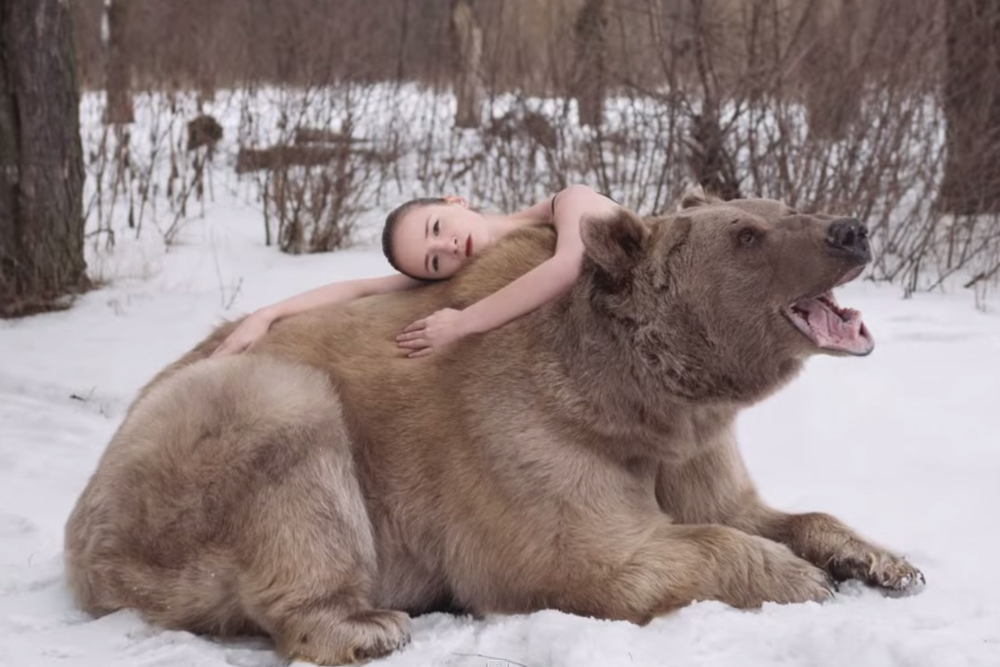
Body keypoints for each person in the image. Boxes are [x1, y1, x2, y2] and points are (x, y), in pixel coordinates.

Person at [211, 185, 620, 358]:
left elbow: (569, 266)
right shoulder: (475, 269)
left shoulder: (571, 200)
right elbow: (359, 289)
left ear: (454, 200)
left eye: (436, 227)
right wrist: (266, 315)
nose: (447, 247)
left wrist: (463, 323)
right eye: (434, 262)